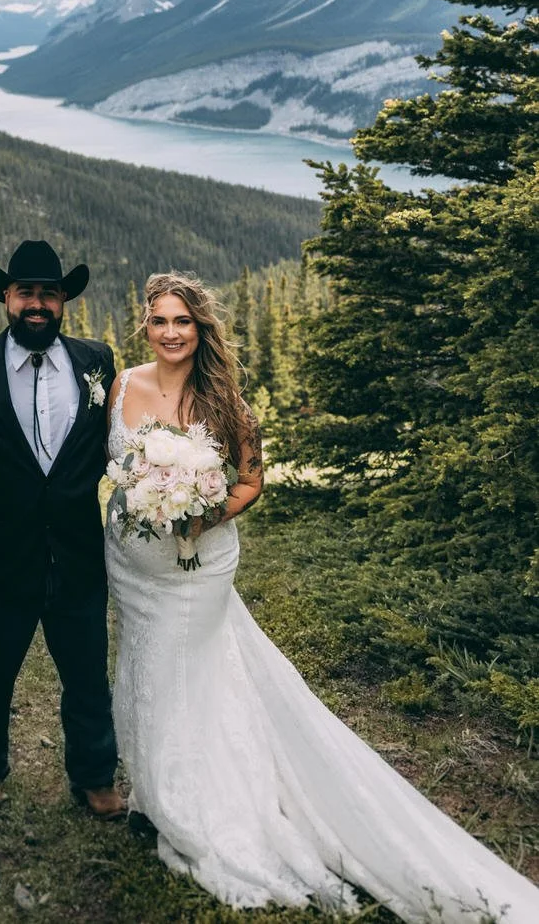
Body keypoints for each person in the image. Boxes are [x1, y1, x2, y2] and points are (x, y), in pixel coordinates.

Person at [106, 270, 539, 922]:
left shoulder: (226, 401)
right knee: (144, 664)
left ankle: (188, 803)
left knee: (178, 671)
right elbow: (114, 468)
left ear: (200, 328)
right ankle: (149, 789)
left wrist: (204, 513)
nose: (171, 333)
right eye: (160, 320)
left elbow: (251, 482)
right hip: (131, 564)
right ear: (146, 324)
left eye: (183, 321)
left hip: (197, 566)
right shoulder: (123, 385)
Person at [0, 240, 125, 819]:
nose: (37, 304)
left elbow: (112, 441)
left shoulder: (96, 361)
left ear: (63, 300)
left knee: (86, 670)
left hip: (76, 549)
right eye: (26, 292)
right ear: (6, 297)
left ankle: (95, 774)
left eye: (49, 294)